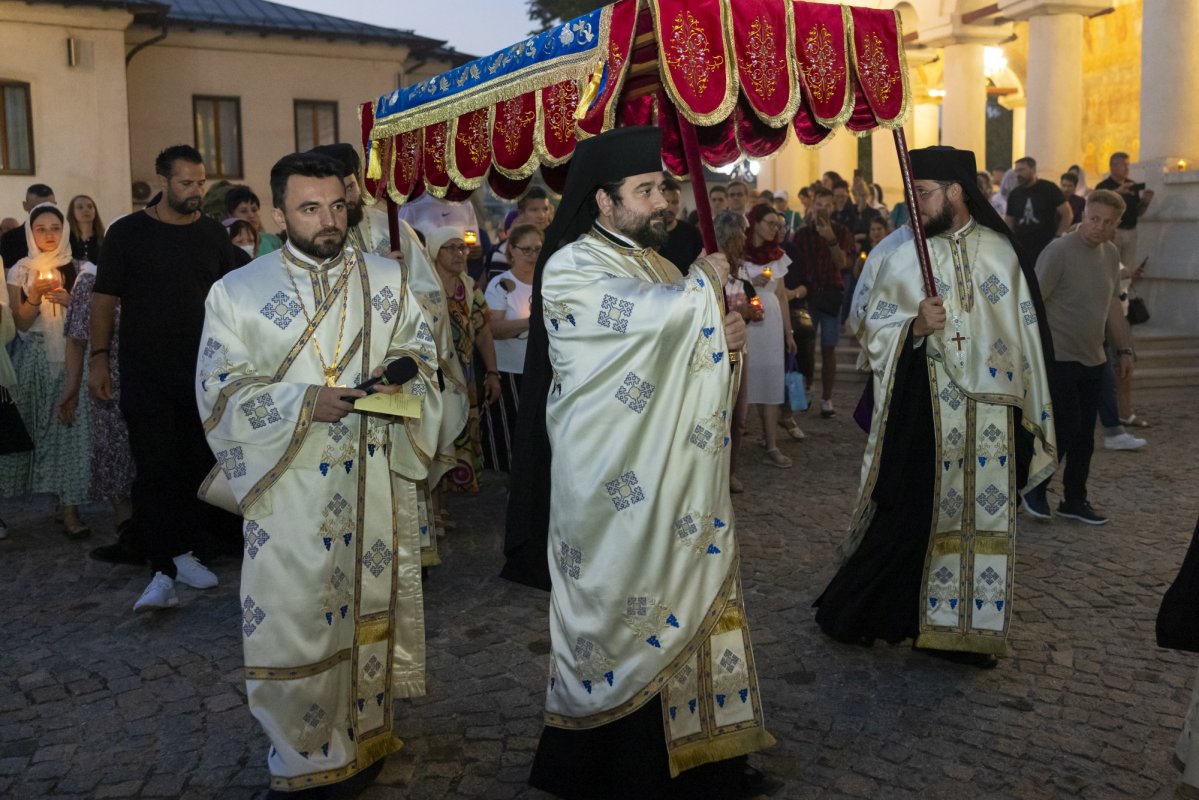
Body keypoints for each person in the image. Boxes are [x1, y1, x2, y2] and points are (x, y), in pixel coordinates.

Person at [501, 125, 772, 799]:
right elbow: (641, 323)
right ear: (602, 201)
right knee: (621, 617)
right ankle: (621, 771)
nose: (664, 202)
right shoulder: (571, 266)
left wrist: (724, 340)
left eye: (667, 188)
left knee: (692, 604)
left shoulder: (659, 266)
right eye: (646, 190)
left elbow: (681, 345)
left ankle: (706, 761)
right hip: (611, 487)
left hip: (676, 481)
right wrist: (702, 299)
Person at [196, 151, 442, 799]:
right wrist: (305, 401)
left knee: (364, 607)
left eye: (337, 206)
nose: (328, 220)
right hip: (289, 487)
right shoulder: (237, 292)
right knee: (293, 615)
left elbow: (420, 356)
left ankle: (364, 733)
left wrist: (389, 388)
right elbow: (219, 393)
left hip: (370, 479)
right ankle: (301, 755)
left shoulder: (386, 280)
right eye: (310, 208)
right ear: (279, 214)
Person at [814, 146, 1057, 669]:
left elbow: (1026, 333)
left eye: (922, 194)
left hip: (993, 415)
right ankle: (885, 613)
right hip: (927, 413)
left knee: (984, 524)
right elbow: (870, 326)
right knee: (914, 520)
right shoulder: (904, 255)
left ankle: (966, 632)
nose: (914, 205)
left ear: (954, 192)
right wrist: (914, 328)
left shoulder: (1002, 252)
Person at [90, 144, 239, 612]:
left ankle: (186, 552)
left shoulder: (213, 235)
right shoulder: (127, 234)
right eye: (187, 183)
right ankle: (159, 569)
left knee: (197, 465)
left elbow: (237, 294)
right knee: (155, 468)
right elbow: (103, 300)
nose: (197, 191)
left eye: (202, 183)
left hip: (202, 376)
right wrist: (98, 358)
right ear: (163, 180)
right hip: (145, 373)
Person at [1021, 189, 1134, 525]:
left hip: (1094, 357)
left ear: (1116, 225)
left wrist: (1124, 349)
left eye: (1107, 222)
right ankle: (1035, 490)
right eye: (1093, 218)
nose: (1098, 226)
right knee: (1064, 428)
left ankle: (1074, 499)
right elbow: (1033, 303)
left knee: (1085, 436)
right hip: (1058, 356)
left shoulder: (1112, 254)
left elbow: (1112, 305)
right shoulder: (1058, 251)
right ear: (1084, 214)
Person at [0, 203, 92, 538]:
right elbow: (18, 324)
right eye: (41, 228)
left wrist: (73, 302)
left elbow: (93, 317)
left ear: (64, 230)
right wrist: (35, 298)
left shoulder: (82, 268)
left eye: (55, 227)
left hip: (70, 357)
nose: (49, 235)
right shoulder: (19, 270)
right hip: (34, 357)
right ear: (30, 232)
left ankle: (70, 510)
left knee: (68, 432)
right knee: (34, 431)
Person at [62, 256, 139, 564]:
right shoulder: (90, 284)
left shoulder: (150, 278)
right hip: (109, 382)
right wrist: (72, 387)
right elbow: (76, 340)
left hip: (148, 377)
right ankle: (128, 534)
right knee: (115, 457)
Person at [429, 225, 500, 494]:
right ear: (435, 252)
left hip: (466, 376)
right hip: (435, 377)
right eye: (452, 248)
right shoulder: (423, 288)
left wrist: (492, 373)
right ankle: (436, 506)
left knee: (463, 433)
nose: (460, 254)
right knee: (436, 436)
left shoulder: (470, 288)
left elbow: (483, 332)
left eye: (463, 247)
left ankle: (450, 500)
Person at [787, 186, 854, 418]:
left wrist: (831, 240)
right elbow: (795, 266)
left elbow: (841, 263)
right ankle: (808, 387)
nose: (823, 209)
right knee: (806, 347)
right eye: (819, 204)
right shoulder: (803, 234)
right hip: (808, 296)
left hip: (830, 294)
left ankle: (827, 398)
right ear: (812, 206)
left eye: (827, 205)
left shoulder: (842, 231)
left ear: (833, 207)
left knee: (828, 347)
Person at [742, 203, 798, 468]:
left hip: (772, 320)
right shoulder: (738, 252)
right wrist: (751, 284)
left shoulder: (777, 256)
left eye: (778, 225)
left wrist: (789, 333)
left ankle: (772, 443)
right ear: (756, 222)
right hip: (746, 319)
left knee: (771, 377)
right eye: (770, 223)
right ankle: (736, 444)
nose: (775, 228)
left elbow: (782, 297)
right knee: (745, 379)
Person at [481, 223, 541, 472]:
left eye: (538, 249)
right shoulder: (500, 285)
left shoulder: (548, 282)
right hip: (511, 372)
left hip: (541, 370)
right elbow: (492, 328)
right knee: (513, 436)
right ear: (511, 250)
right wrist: (530, 322)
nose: (532, 255)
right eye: (526, 249)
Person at [713, 210, 760, 494]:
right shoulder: (710, 265)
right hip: (716, 352)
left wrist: (752, 310)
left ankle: (730, 471)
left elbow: (753, 302)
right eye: (742, 232)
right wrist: (741, 311)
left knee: (738, 416)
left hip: (739, 352)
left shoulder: (741, 269)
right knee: (718, 413)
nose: (745, 237)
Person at [1003, 156, 1072, 261]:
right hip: (1022, 248)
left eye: (1021, 170)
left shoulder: (1049, 188)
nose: (1018, 174)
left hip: (1046, 247)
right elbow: (1009, 220)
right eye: (1016, 171)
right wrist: (1011, 242)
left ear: (1033, 170)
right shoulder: (1015, 194)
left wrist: (1058, 237)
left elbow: (1067, 214)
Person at [1095, 151, 1155, 268]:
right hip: (1113, 232)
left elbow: (1138, 212)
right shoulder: (1103, 186)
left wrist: (1145, 202)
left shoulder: (1131, 185)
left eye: (1128, 165)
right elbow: (1098, 206)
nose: (1127, 169)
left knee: (1127, 269)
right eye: (1123, 165)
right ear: (1112, 167)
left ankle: (1124, 287)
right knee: (1111, 266)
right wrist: (1118, 192)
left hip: (1131, 231)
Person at [0, 184, 56, 268]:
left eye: (47, 207)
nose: (42, 211)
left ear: (55, 206)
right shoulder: (10, 239)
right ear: (25, 206)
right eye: (35, 207)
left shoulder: (66, 236)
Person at [657, 174, 703, 273]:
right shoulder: (647, 235)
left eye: (675, 202)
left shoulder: (691, 233)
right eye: (666, 201)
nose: (669, 208)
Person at [225, 186, 284, 256]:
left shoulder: (273, 241)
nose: (251, 215)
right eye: (243, 211)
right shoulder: (226, 242)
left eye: (254, 210)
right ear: (230, 215)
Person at [67, 194, 105, 264]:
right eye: (80, 207)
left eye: (90, 207)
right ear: (72, 212)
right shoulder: (66, 240)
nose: (86, 210)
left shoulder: (104, 239)